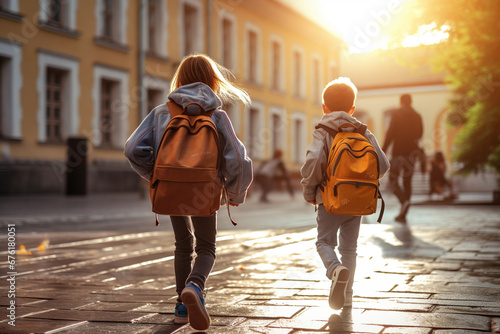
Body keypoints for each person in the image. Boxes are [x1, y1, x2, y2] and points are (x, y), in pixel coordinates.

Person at [124, 54, 253, 331]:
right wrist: (235, 193)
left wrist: (155, 175)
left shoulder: (162, 112)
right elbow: (238, 160)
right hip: (204, 189)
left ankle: (181, 309)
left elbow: (132, 148)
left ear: (179, 80)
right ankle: (195, 287)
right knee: (206, 247)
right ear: (211, 81)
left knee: (183, 244)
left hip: (170, 186)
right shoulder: (217, 116)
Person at [300, 77, 390, 310]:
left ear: (324, 107)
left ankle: (334, 269)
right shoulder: (363, 131)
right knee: (350, 248)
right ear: (352, 108)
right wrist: (361, 182)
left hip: (329, 200)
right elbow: (383, 164)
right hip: (358, 202)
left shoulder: (323, 130)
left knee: (323, 242)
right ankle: (347, 296)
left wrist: (309, 190)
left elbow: (313, 162)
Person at [382, 94, 423, 223]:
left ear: (401, 102)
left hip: (398, 154)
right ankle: (404, 210)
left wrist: (383, 150)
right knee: (407, 182)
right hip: (411, 154)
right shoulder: (417, 116)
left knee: (393, 180)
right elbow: (420, 134)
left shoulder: (396, 115)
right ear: (411, 102)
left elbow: (390, 134)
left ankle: (403, 201)